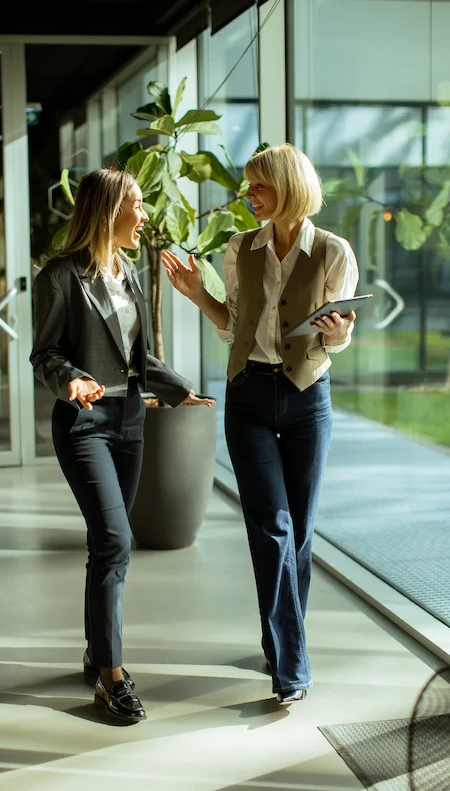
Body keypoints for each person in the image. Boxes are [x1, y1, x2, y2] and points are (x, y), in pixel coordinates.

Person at [161, 143, 359, 704]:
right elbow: (233, 325)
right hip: (248, 394)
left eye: (258, 188)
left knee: (298, 531)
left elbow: (336, 333)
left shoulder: (333, 251)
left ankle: (280, 640)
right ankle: (292, 667)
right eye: (248, 188)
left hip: (306, 397)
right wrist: (200, 295)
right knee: (271, 528)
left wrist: (339, 332)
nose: (247, 198)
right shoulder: (238, 249)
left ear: (289, 188)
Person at [30, 168, 214, 724]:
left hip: (130, 419)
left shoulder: (127, 270)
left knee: (108, 544)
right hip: (84, 422)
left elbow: (138, 359)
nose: (145, 215)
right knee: (113, 539)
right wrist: (72, 383)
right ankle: (111, 677)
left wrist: (180, 391)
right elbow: (46, 355)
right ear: (109, 211)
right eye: (136, 204)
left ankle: (95, 648)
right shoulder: (60, 276)